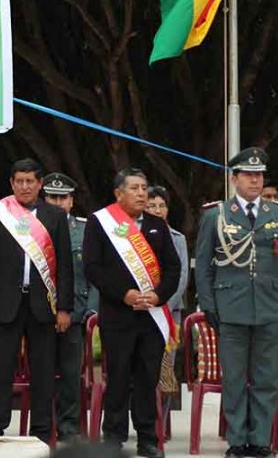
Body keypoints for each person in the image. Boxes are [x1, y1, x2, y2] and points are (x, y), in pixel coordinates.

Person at [195, 148, 278, 458]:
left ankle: (260, 441)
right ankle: (237, 440)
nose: (255, 180)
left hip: (269, 306)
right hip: (231, 306)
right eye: (249, 175)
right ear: (234, 178)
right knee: (235, 379)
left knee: (267, 379)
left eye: (259, 175)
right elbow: (203, 265)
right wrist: (209, 304)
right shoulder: (216, 215)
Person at [82, 168, 180, 458]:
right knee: (119, 376)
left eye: (144, 187)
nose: (141, 193)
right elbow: (93, 267)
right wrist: (124, 294)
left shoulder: (156, 224)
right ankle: (113, 436)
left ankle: (148, 439)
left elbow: (173, 268)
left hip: (151, 316)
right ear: (118, 193)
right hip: (118, 315)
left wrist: (158, 295)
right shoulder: (100, 223)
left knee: (147, 378)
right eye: (135, 188)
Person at [0, 159, 73, 444]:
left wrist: (64, 308)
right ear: (11, 183)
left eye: (30, 181)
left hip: (44, 306)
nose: (25, 186)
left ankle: (42, 434)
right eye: (19, 181)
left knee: (43, 373)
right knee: (0, 370)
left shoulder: (54, 216)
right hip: (4, 305)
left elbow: (65, 265)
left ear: (40, 184)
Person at [42, 172, 96, 442]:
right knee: (41, 374)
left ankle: (68, 429)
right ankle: (42, 427)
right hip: (39, 313)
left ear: (72, 201)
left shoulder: (85, 230)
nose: (58, 202)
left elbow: (95, 272)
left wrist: (91, 310)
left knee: (72, 375)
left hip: (75, 311)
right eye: (52, 197)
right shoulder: (32, 227)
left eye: (63, 197)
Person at [145, 185, 189, 424]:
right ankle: (145, 421)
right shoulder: (135, 237)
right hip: (141, 311)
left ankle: (161, 424)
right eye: (152, 205)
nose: (157, 210)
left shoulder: (177, 239)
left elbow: (181, 278)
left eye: (162, 205)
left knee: (166, 368)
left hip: (170, 312)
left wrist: (162, 303)